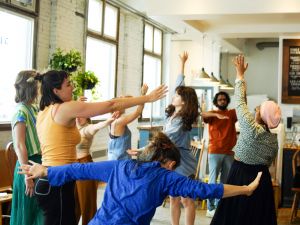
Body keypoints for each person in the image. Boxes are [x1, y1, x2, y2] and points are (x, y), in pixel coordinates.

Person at [19, 132, 263, 225]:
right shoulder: (167, 179)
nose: (172, 170)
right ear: (168, 163)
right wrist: (246, 189)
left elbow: (77, 171)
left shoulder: (119, 166)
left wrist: (46, 171)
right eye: (173, 166)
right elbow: (209, 190)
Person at [33, 70, 167, 225]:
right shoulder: (64, 109)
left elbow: (111, 101)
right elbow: (111, 105)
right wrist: (147, 98)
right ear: (56, 91)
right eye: (68, 84)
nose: (73, 87)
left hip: (49, 178)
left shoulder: (44, 111)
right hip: (57, 180)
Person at [210, 55, 281, 225]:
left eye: (258, 109)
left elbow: (240, 102)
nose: (256, 109)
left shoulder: (250, 128)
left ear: (261, 115)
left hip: (240, 175)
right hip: (261, 180)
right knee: (257, 218)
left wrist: (240, 74)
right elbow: (269, 163)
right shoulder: (274, 140)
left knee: (234, 217)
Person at [163, 52, 199, 225]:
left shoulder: (181, 120)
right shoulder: (172, 114)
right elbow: (180, 85)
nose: (174, 96)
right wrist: (182, 64)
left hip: (182, 162)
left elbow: (164, 139)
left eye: (177, 96)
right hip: (172, 160)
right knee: (173, 197)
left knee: (186, 199)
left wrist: (141, 150)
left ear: (183, 102)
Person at [10, 70, 44, 225]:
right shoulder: (20, 111)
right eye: (37, 85)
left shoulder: (34, 108)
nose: (39, 89)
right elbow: (19, 145)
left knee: (39, 211)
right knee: (28, 213)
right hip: (28, 166)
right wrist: (27, 176)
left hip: (38, 164)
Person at [75, 107, 119, 225]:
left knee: (87, 204)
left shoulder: (88, 128)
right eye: (76, 115)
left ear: (88, 116)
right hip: (72, 167)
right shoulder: (72, 127)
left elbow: (97, 126)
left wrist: (108, 121)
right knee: (74, 204)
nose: (78, 118)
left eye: (82, 115)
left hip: (84, 166)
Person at [202, 92, 237, 217]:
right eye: (219, 99)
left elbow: (242, 108)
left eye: (224, 99)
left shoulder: (231, 113)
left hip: (228, 152)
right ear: (216, 102)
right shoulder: (211, 114)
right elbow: (202, 114)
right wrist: (216, 114)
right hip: (215, 151)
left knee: (225, 181)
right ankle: (210, 207)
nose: (222, 101)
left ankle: (220, 206)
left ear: (227, 101)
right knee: (212, 180)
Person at [107, 84, 148, 160]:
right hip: (120, 160)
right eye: (122, 103)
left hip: (114, 158)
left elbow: (130, 98)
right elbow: (138, 111)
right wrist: (143, 94)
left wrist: (122, 98)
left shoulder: (112, 119)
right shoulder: (120, 121)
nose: (125, 105)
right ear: (117, 107)